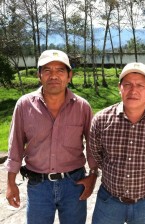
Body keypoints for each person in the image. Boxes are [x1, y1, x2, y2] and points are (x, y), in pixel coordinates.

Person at [5, 49, 98, 224]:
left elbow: (92, 146)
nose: (53, 75)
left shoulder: (82, 107)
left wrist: (93, 175)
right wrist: (10, 183)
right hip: (38, 185)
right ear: (39, 75)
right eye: (47, 70)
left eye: (60, 70)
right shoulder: (24, 105)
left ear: (69, 76)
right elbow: (15, 146)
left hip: (74, 184)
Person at [90, 62, 145, 224]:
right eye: (128, 84)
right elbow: (96, 153)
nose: (133, 90)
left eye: (140, 85)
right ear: (120, 88)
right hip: (109, 200)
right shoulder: (101, 120)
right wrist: (112, 171)